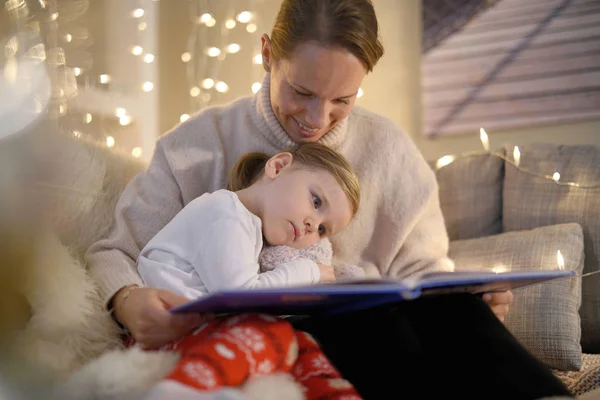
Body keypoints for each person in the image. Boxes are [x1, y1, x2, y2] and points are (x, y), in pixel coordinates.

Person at [85, 0, 572, 398]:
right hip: (288, 333)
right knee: (375, 326)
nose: (317, 119)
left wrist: (470, 296)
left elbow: (423, 276)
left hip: (372, 317)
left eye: (343, 100)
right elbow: (114, 251)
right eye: (302, 91)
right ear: (267, 54)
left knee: (456, 312)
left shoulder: (391, 150)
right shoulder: (192, 146)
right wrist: (127, 300)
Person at [137, 143, 359, 299]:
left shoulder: (247, 225)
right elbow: (242, 296)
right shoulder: (226, 213)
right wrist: (310, 271)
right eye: (316, 201)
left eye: (322, 230)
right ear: (278, 167)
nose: (313, 226)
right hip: (165, 326)